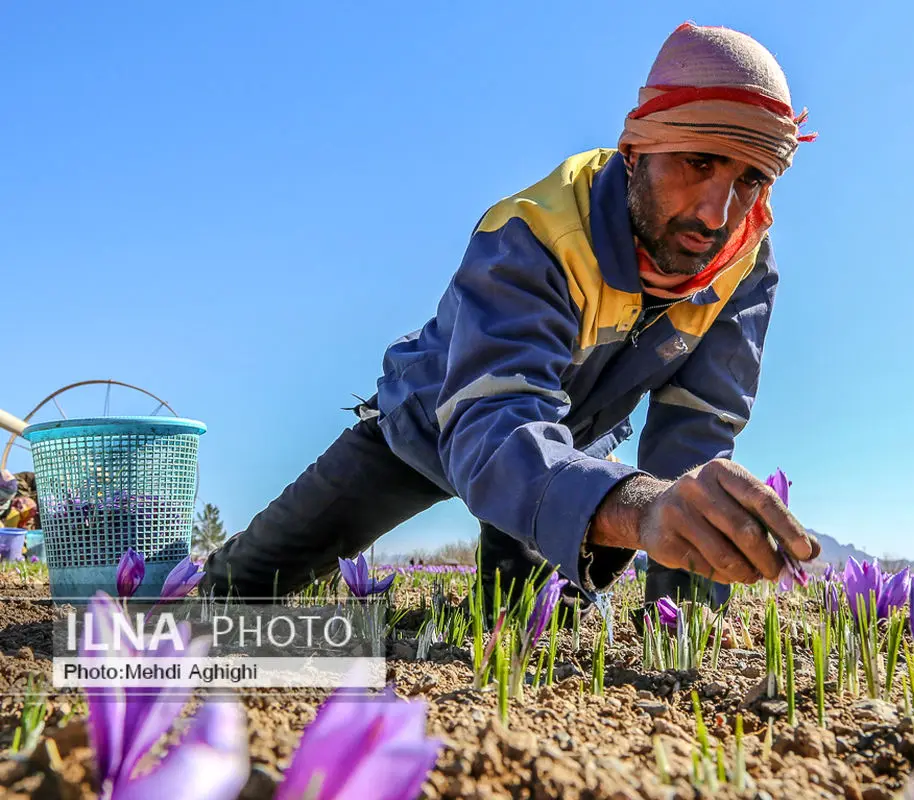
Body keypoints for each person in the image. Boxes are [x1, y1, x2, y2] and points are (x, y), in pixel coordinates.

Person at [200, 22, 821, 612]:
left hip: (569, 450)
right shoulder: (536, 231)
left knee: (522, 618)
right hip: (438, 420)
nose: (718, 214)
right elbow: (493, 423)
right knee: (244, 585)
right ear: (636, 151)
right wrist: (638, 509)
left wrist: (684, 615)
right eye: (698, 163)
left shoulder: (743, 263)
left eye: (751, 179)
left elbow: (697, 432)